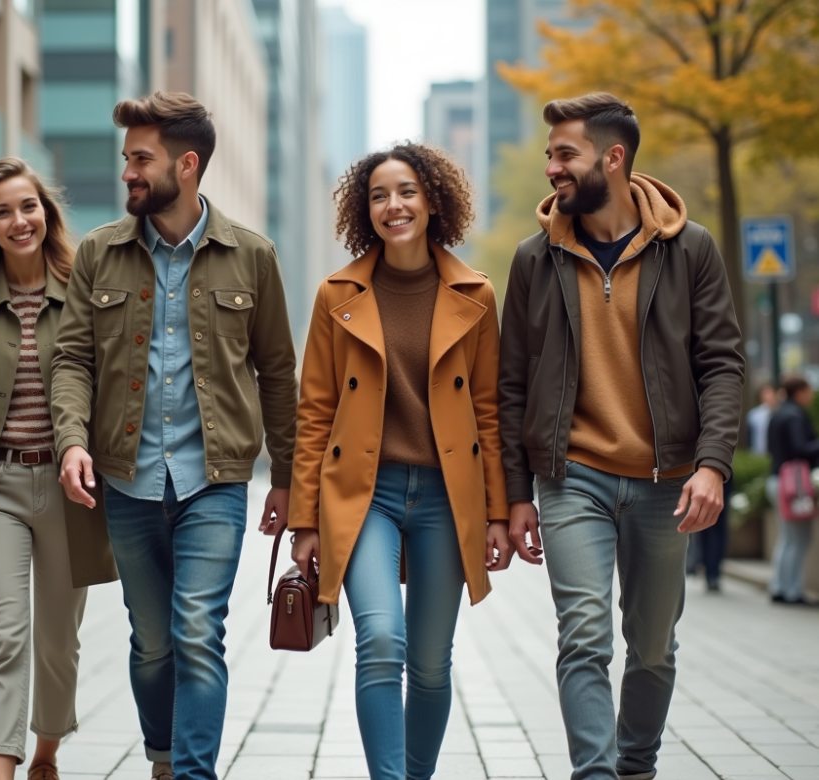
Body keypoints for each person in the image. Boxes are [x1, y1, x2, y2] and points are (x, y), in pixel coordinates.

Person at [50, 92, 297, 780]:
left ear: (186, 166)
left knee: (196, 633)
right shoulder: (100, 252)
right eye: (127, 158)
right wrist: (73, 440)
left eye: (140, 159)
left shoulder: (252, 256)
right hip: (126, 480)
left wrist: (287, 478)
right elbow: (71, 358)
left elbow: (278, 371)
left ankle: (191, 773)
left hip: (214, 481)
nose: (127, 171)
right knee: (153, 642)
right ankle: (162, 757)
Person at [498, 93, 744, 780]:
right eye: (549, 155)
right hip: (570, 475)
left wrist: (713, 465)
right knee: (583, 637)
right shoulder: (533, 259)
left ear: (613, 157)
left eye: (565, 154)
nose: (552, 168)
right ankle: (596, 775)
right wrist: (517, 496)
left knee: (654, 645)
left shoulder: (689, 250)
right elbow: (510, 385)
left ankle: (636, 766)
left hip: (667, 482)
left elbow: (722, 362)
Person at [288, 143, 512, 780]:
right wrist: (307, 520)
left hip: (448, 495)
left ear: (433, 200)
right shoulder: (337, 295)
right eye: (380, 195)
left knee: (432, 662)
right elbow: (315, 412)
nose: (394, 205)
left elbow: (490, 412)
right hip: (366, 495)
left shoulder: (475, 295)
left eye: (407, 191)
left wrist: (497, 512)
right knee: (381, 641)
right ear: (366, 211)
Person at [0, 158, 119, 780]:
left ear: (46, 213)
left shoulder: (84, 291)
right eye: (3, 212)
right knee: (6, 636)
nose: (19, 221)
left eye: (28, 207)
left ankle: (46, 752)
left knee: (57, 644)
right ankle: (1, 771)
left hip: (71, 492)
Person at [766, 374, 819, 605]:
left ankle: (779, 587)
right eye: (809, 391)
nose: (811, 395)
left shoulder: (777, 413)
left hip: (778, 480)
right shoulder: (795, 415)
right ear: (800, 392)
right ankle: (792, 591)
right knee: (799, 538)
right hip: (793, 484)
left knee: (788, 537)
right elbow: (801, 448)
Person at [747, 382, 778, 455]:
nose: (767, 396)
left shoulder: (780, 412)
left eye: (769, 392)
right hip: (758, 453)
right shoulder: (753, 415)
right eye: (764, 393)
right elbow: (749, 437)